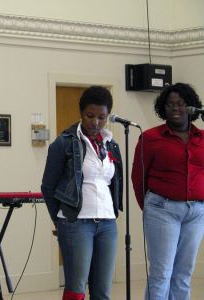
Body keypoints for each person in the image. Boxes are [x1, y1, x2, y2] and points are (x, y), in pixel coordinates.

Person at [41, 86, 123, 300]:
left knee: (102, 291)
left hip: (107, 222)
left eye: (102, 117)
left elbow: (114, 182)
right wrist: (59, 220)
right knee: (76, 289)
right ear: (81, 113)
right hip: (76, 222)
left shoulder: (111, 144)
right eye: (90, 116)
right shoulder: (63, 143)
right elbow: (48, 187)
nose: (95, 122)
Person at [132, 82, 204, 300]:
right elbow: (138, 178)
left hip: (196, 212)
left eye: (181, 104)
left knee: (183, 273)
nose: (175, 108)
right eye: (170, 104)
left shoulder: (202, 138)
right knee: (162, 272)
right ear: (162, 108)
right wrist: (151, 209)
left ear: (191, 108)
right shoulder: (151, 138)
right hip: (162, 209)